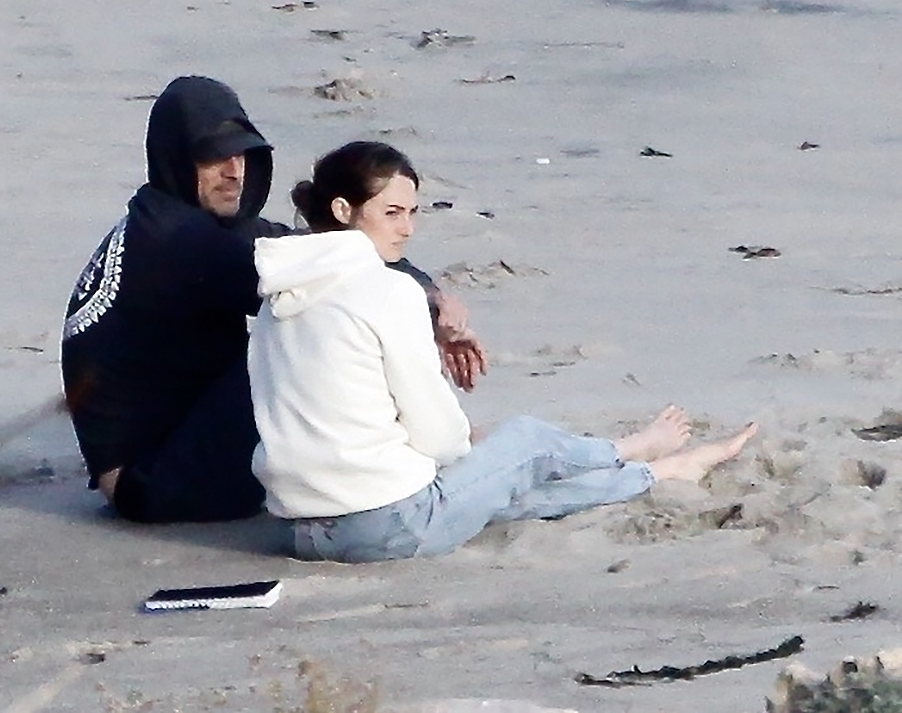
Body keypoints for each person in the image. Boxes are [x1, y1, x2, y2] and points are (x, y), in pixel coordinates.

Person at [247, 141, 758, 562]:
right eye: (392, 212)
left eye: (413, 213)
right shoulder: (388, 289)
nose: (407, 228)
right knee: (525, 441)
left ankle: (659, 472)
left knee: (507, 487)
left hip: (300, 531)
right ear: (344, 210)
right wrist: (469, 443)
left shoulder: (278, 297)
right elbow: (441, 438)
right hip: (386, 526)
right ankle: (629, 451)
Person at [60, 76, 479, 523]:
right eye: (214, 157)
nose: (234, 171)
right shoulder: (177, 241)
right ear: (176, 158)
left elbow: (312, 250)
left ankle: (388, 455)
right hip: (148, 483)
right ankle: (392, 466)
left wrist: (430, 298)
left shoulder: (174, 216)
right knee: (313, 324)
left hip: (165, 447)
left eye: (241, 154)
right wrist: (423, 309)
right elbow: (337, 277)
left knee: (311, 315)